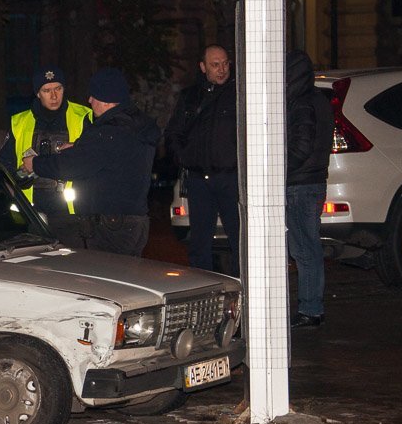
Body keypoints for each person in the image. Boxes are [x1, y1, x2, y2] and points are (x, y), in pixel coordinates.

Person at [22, 67, 159, 256]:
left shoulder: (108, 132)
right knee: (125, 273)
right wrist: (80, 147)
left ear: (106, 99)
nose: (89, 100)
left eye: (94, 96)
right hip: (133, 222)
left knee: (105, 274)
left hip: (112, 227)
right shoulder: (132, 125)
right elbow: (108, 155)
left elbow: (72, 166)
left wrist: (35, 164)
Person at [0, 65, 94, 247]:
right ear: (37, 93)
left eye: (58, 88)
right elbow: (4, 167)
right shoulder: (19, 122)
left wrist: (77, 148)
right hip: (30, 214)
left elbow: (94, 159)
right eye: (47, 90)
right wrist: (20, 175)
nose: (54, 96)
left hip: (70, 214)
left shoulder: (83, 117)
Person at [165, 44, 240, 275]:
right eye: (215, 65)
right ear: (203, 67)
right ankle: (203, 287)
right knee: (199, 242)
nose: (222, 69)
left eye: (225, 64)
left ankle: (242, 287)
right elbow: (173, 133)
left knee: (239, 239)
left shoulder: (238, 94)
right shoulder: (191, 97)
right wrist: (184, 158)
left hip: (230, 177)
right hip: (199, 179)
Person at [284, 49, 334, 328]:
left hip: (299, 185)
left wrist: (280, 171)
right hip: (311, 182)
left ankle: (310, 309)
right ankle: (312, 307)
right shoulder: (317, 100)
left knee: (304, 250)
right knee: (308, 248)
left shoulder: (302, 102)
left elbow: (301, 146)